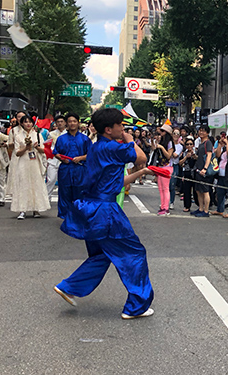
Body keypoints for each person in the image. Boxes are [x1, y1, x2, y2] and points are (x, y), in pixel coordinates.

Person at [53, 108, 154, 320]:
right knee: (134, 253)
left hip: (90, 208)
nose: (123, 128)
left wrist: (141, 173)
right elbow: (142, 156)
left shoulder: (97, 148)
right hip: (105, 212)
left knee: (102, 255)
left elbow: (115, 184)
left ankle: (69, 286)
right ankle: (136, 306)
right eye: (120, 125)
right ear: (108, 129)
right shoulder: (111, 147)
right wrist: (129, 139)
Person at [6, 115, 50, 219]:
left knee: (36, 184)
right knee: (23, 184)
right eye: (25, 122)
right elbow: (17, 153)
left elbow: (44, 150)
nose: (28, 124)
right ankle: (22, 210)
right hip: (23, 162)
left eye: (30, 122)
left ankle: (36, 209)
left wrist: (37, 147)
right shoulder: (18, 136)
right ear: (21, 123)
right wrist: (26, 147)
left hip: (35, 162)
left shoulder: (38, 135)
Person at [52, 113, 92, 219]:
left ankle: (79, 216)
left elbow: (91, 154)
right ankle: (65, 217)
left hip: (80, 170)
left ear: (78, 123)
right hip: (65, 170)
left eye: (74, 121)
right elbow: (56, 152)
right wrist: (61, 158)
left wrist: (81, 158)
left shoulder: (85, 139)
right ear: (66, 123)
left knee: (81, 193)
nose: (72, 123)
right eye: (70, 121)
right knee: (65, 193)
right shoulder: (61, 139)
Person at [152, 124, 175, 216]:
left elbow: (169, 155)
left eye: (162, 131)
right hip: (160, 166)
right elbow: (154, 150)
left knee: (165, 188)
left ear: (166, 132)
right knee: (161, 188)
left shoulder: (170, 143)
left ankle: (166, 208)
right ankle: (162, 206)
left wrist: (161, 147)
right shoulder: (161, 141)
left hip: (167, 167)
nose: (160, 133)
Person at [193, 125, 213, 217]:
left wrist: (205, 168)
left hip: (204, 171)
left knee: (205, 191)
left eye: (203, 131)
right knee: (198, 190)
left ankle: (206, 211)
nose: (201, 132)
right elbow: (200, 157)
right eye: (200, 130)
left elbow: (209, 156)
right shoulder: (201, 143)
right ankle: (200, 208)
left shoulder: (208, 143)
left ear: (207, 133)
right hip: (198, 169)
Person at [46, 115, 67, 200]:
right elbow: (48, 146)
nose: (60, 123)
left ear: (65, 123)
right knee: (51, 180)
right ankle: (47, 198)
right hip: (53, 159)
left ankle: (64, 198)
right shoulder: (51, 134)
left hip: (65, 159)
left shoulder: (68, 133)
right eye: (58, 122)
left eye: (62, 121)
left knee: (64, 181)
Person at [179, 137, 197, 213]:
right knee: (187, 191)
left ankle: (199, 205)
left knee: (196, 191)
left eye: (191, 144)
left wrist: (194, 156)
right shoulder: (184, 153)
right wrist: (186, 157)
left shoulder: (196, 151)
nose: (189, 146)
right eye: (187, 144)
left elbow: (199, 160)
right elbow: (180, 163)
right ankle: (187, 206)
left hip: (195, 174)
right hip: (187, 173)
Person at [169, 127, 184, 210]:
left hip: (174, 166)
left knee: (172, 185)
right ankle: (165, 202)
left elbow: (175, 155)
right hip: (167, 165)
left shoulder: (179, 146)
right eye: (174, 133)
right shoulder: (169, 144)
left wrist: (168, 153)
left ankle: (171, 202)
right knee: (165, 186)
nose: (176, 135)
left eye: (178, 134)